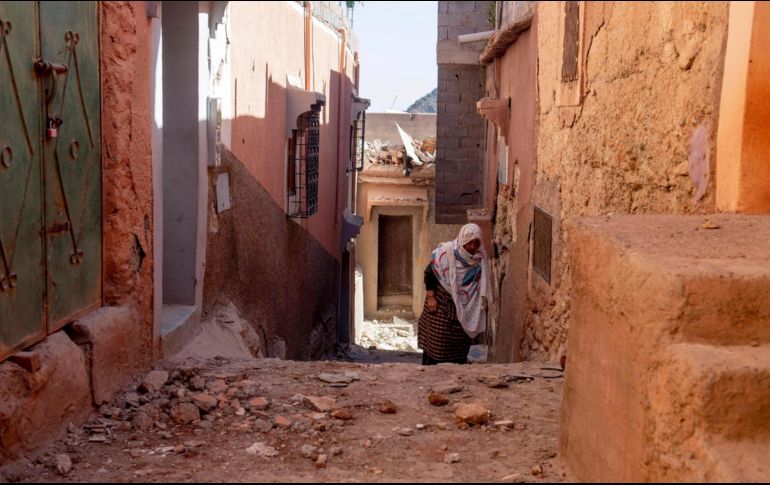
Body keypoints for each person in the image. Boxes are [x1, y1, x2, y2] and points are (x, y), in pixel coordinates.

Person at [418, 223, 493, 365]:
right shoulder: (446, 253)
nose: (472, 247)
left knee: (460, 345)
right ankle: (430, 373)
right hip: (441, 305)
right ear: (462, 240)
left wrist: (483, 302)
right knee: (437, 342)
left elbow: (483, 282)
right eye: (468, 242)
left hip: (466, 309)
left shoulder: (480, 257)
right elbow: (429, 273)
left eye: (475, 243)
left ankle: (457, 374)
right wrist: (431, 298)